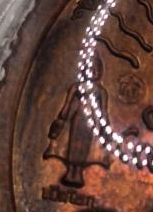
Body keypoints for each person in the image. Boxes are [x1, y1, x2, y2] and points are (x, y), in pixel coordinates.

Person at [43, 55, 111, 188]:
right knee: (72, 145)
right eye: (90, 68)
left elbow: (103, 110)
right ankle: (70, 171)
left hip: (91, 124)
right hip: (77, 118)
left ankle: (78, 172)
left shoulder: (101, 91)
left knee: (84, 148)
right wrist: (62, 116)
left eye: (95, 69)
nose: (92, 71)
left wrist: (105, 125)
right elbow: (68, 103)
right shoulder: (77, 87)